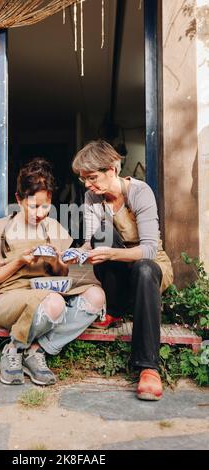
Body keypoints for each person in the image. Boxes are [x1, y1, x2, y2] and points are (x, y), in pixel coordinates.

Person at [0, 158, 105, 386]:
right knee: (55, 302)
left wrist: (56, 260)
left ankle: (36, 351)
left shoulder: (53, 229)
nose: (40, 213)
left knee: (96, 297)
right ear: (18, 199)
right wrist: (18, 262)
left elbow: (63, 274)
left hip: (48, 296)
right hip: (10, 298)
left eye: (45, 206)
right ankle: (13, 348)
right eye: (33, 206)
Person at [72, 140, 174, 401]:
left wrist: (111, 253)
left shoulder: (140, 192)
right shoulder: (92, 196)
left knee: (142, 269)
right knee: (100, 236)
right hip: (118, 264)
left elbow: (149, 250)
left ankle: (148, 367)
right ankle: (116, 309)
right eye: (84, 179)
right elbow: (89, 240)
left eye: (92, 177)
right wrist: (77, 254)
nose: (87, 184)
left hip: (149, 265)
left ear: (112, 170)